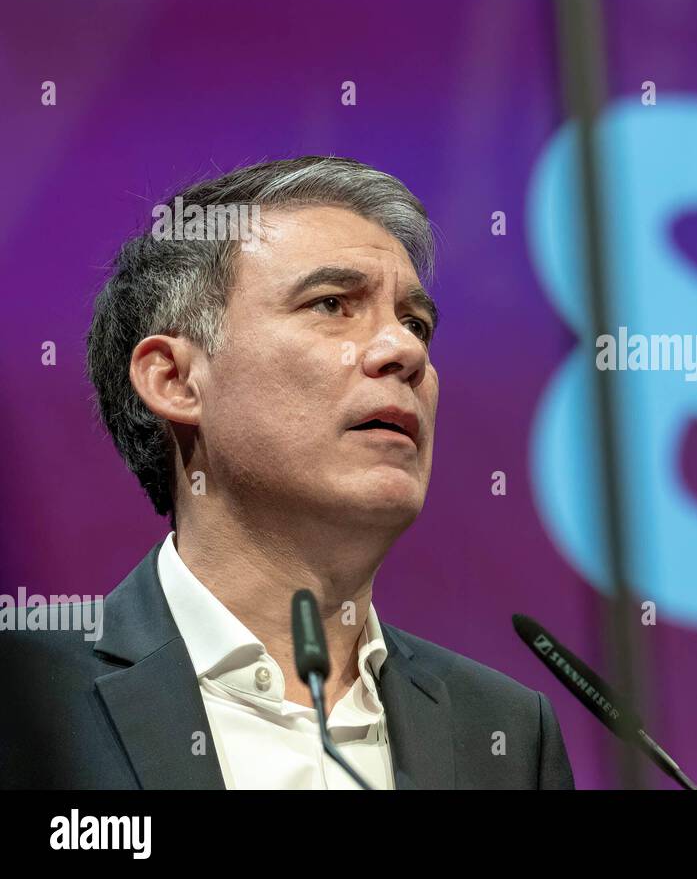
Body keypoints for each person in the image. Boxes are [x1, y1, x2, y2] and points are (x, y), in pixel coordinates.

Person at [0, 156, 574, 789]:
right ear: (175, 379)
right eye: (331, 304)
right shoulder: (28, 704)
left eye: (415, 323)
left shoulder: (506, 733)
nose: (405, 350)